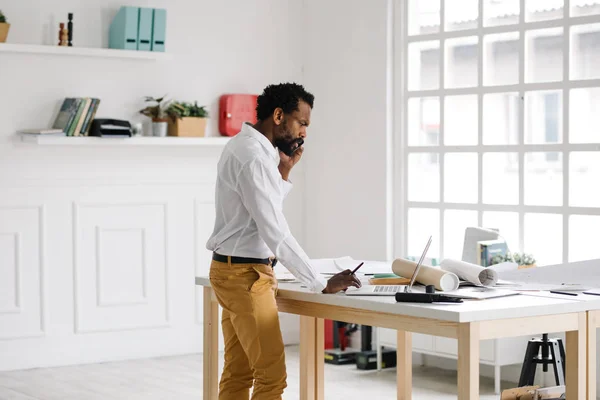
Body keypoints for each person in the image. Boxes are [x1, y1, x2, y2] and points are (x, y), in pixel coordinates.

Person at [205, 82, 361, 400]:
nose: (304, 132)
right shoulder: (252, 157)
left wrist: (284, 173)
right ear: (279, 115)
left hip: (232, 270)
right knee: (271, 378)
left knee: (239, 372)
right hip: (246, 277)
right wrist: (320, 283)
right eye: (301, 122)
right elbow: (274, 230)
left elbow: (259, 211)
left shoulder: (246, 149)